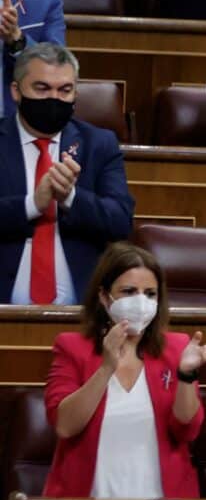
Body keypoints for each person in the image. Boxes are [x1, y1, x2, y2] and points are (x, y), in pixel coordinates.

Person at [44, 241, 206, 499]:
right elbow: (66, 426)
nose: (141, 302)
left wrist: (185, 375)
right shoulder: (72, 347)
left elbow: (186, 430)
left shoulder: (178, 347)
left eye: (150, 294)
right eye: (129, 291)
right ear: (104, 297)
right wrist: (106, 368)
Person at [2, 43, 133, 305]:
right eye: (42, 88)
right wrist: (32, 205)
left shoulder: (99, 144)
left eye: (65, 90)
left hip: (82, 311)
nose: (54, 99)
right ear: (16, 91)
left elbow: (120, 221)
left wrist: (71, 197)